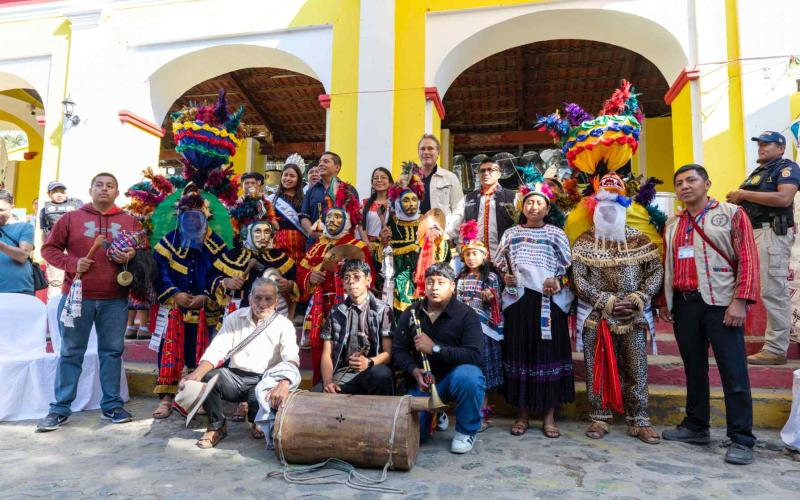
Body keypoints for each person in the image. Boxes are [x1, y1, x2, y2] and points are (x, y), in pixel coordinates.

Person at [659, 164, 759, 465]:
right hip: (686, 304)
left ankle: (741, 438)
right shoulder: (673, 223)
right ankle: (696, 426)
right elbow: (668, 264)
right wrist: (666, 301)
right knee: (694, 368)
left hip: (721, 303)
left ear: (707, 184)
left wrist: (740, 301)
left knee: (734, 372)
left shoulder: (731, 214)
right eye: (679, 183)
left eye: (691, 180)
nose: (685, 186)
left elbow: (748, 258)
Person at [36, 173, 141, 431]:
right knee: (71, 352)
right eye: (99, 185)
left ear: (117, 192)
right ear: (90, 189)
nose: (104, 189)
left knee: (112, 352)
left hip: (115, 299)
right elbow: (48, 250)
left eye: (110, 186)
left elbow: (143, 253)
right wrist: (73, 264)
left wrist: (131, 255)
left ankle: (112, 406)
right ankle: (60, 408)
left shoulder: (130, 221)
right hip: (76, 297)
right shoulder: (71, 218)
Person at [571, 173, 664, 444]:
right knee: (595, 366)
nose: (609, 212)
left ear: (624, 209)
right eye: (603, 207)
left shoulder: (640, 240)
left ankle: (639, 420)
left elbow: (655, 271)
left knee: (636, 367)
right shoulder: (584, 242)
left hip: (633, 315)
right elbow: (579, 279)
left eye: (614, 207)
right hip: (596, 315)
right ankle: (599, 416)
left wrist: (639, 298)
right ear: (595, 209)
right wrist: (606, 302)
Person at [181, 278, 300, 448]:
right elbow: (217, 349)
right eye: (258, 298)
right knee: (208, 377)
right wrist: (196, 374)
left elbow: (291, 357)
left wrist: (284, 382)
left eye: (268, 299)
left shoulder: (284, 325)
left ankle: (255, 420)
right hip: (235, 377)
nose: (263, 303)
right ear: (250, 298)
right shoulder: (235, 317)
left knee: (260, 395)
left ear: (276, 301)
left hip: (264, 380)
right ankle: (217, 426)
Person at [496, 183, 574, 438]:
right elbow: (501, 265)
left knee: (547, 355)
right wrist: (506, 277)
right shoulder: (510, 234)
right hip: (519, 303)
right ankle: (522, 414)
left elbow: (568, 269)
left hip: (549, 303)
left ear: (548, 208)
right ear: (522, 207)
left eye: (539, 203)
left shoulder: (556, 234)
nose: (533, 207)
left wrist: (557, 281)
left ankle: (549, 417)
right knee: (521, 353)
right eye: (529, 202)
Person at [391, 263, 485, 454]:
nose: (434, 287)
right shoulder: (412, 312)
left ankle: (466, 431)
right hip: (423, 383)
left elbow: (474, 355)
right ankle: (437, 412)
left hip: (453, 379)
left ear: (452, 286)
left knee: (470, 376)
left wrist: (434, 348)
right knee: (416, 438)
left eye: (440, 282)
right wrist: (413, 370)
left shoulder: (467, 315)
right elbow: (398, 350)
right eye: (430, 282)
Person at [151, 184, 226, 419]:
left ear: (206, 217)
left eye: (198, 216)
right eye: (187, 216)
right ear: (180, 217)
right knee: (169, 350)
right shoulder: (168, 241)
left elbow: (221, 272)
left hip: (205, 308)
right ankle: (166, 396)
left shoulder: (216, 243)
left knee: (201, 351)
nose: (192, 221)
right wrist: (175, 294)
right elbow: (158, 271)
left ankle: (198, 396)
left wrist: (207, 296)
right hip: (175, 308)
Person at [726, 131, 800, 365]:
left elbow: (784, 198)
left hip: (771, 233)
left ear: (781, 148)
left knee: (773, 290)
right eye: (759, 144)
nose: (761, 147)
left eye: (767, 144)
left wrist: (743, 194)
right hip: (753, 233)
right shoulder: (759, 172)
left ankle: (776, 349)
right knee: (754, 287)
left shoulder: (786, 167)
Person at [297, 206, 374, 384]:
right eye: (329, 217)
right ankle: (320, 385)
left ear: (346, 222)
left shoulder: (358, 246)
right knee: (320, 349)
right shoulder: (316, 247)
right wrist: (311, 277)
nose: (332, 221)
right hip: (320, 307)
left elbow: (369, 276)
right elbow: (301, 272)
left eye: (338, 217)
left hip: (350, 304)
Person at [317, 259, 394, 395]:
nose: (351, 281)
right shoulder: (336, 312)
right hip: (345, 372)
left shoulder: (383, 310)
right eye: (346, 278)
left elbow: (388, 354)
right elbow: (327, 353)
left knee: (382, 375)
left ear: (368, 280)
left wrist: (368, 362)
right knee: (318, 394)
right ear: (343, 283)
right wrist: (328, 381)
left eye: (357, 277)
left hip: (372, 369)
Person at [454, 221, 503, 431]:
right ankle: (468, 413)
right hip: (464, 331)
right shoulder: (460, 278)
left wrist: (489, 296)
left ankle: (482, 415)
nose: (472, 257)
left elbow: (497, 299)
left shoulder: (490, 277)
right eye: (468, 254)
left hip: (484, 331)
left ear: (484, 256)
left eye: (476, 253)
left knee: (482, 372)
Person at [381, 169, 448, 313]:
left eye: (414, 200)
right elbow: (379, 257)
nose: (411, 203)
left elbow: (442, 257)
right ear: (398, 203)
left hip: (424, 280)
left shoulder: (428, 220)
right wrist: (384, 243)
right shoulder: (390, 223)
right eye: (406, 200)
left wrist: (439, 240)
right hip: (398, 281)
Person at [446, 159, 516, 261]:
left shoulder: (512, 197)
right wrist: (440, 235)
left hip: (505, 259)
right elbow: (453, 226)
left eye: (491, 170)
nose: (486, 173)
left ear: (499, 174)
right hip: (475, 261)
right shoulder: (468, 199)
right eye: (482, 171)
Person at [299, 151, 360, 246]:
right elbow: (304, 216)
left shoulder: (348, 189)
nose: (321, 164)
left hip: (342, 245)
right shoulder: (311, 191)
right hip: (316, 243)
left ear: (337, 167)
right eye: (320, 162)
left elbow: (355, 217)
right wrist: (311, 230)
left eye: (326, 161)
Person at [38, 181, 83, 297]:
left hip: (75, 247)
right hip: (56, 248)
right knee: (55, 282)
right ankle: (52, 311)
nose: (59, 194)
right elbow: (44, 232)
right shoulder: (44, 211)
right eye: (55, 192)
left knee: (78, 279)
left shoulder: (78, 205)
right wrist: (46, 252)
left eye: (62, 191)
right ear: (49, 194)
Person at [416, 134, 463, 218]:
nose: (426, 152)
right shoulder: (409, 179)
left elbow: (459, 210)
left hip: (442, 230)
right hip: (414, 230)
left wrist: (450, 231)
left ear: (438, 152)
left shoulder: (450, 178)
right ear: (418, 152)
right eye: (422, 149)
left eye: (430, 148)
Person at [270, 163, 307, 265]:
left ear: (298, 179)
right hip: (279, 241)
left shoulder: (304, 199)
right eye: (285, 175)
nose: (288, 178)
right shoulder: (272, 199)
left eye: (292, 176)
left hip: (300, 242)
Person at [0, 189, 34, 295]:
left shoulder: (25, 227)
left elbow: (23, 256)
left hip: (18, 289)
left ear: (12, 208)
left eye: (1, 210)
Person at [360, 167, 393, 264]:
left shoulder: (395, 204)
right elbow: (360, 225)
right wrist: (366, 243)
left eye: (383, 177)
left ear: (390, 182)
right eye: (376, 178)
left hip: (389, 247)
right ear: (372, 183)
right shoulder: (365, 203)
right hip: (370, 248)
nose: (379, 180)